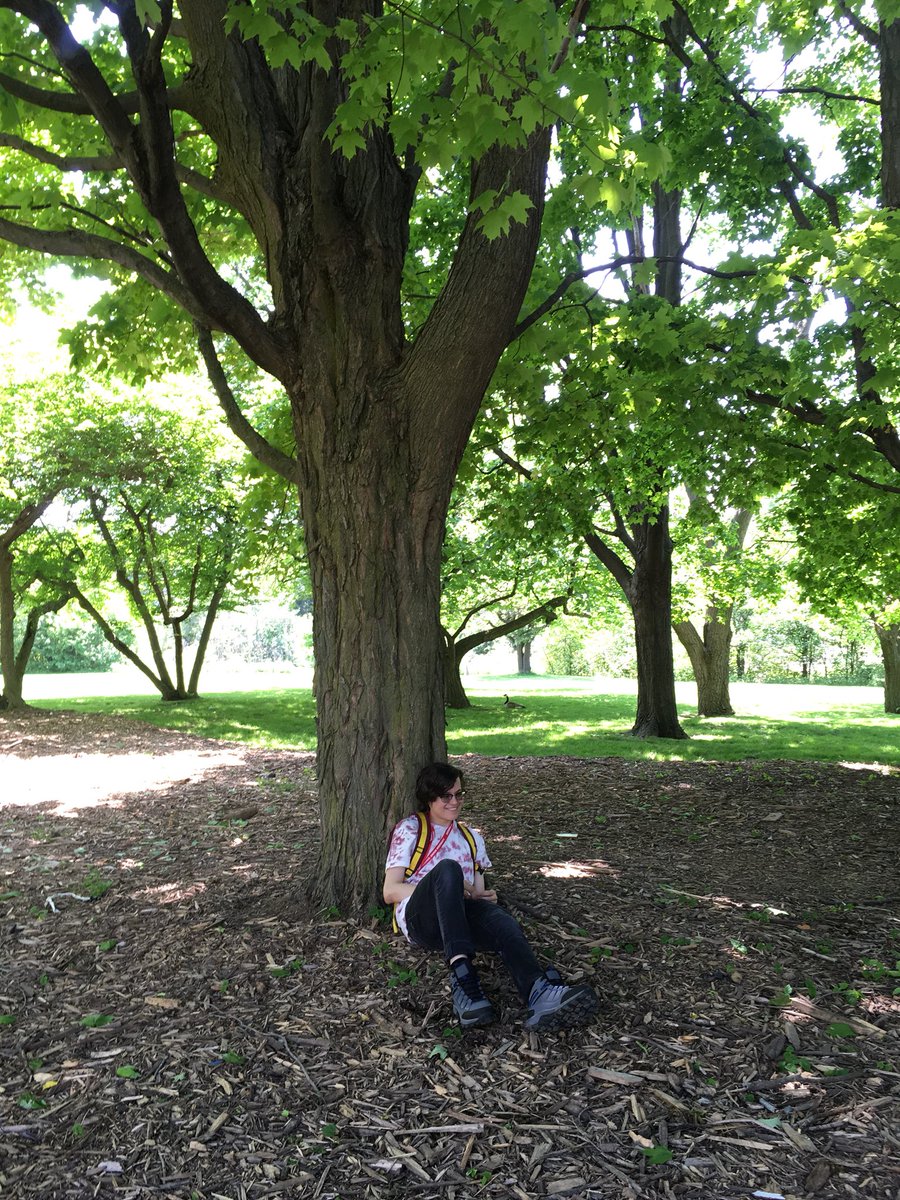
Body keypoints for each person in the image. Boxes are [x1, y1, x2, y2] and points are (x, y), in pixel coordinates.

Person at [383, 761, 599, 1031]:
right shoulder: (411, 829)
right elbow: (390, 890)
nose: (454, 802)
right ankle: (464, 979)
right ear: (429, 798)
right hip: (422, 921)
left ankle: (539, 990)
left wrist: (482, 898)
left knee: (500, 919)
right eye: (446, 796)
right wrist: (447, 890)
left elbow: (477, 892)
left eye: (459, 794)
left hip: (458, 919)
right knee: (448, 871)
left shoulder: (471, 838)